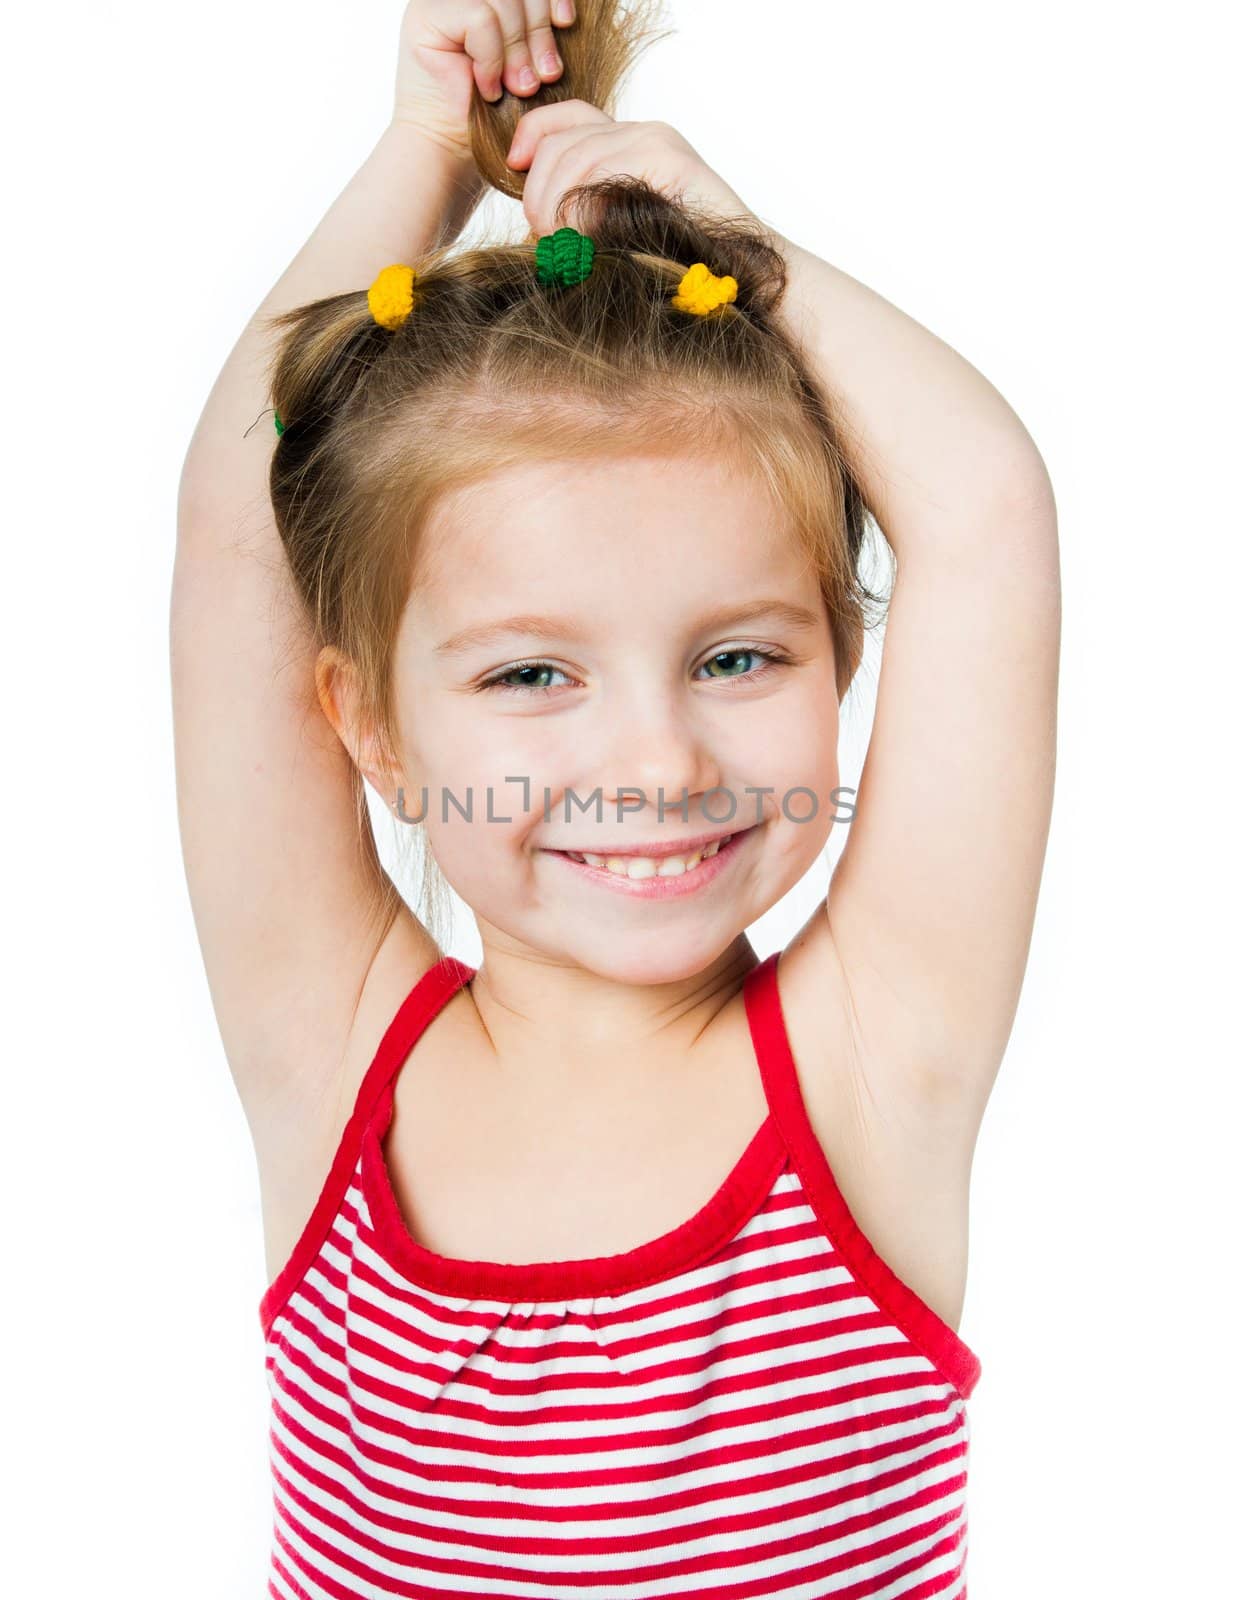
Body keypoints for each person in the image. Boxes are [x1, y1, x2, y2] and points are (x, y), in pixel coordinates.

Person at [171, 1, 1059, 1593]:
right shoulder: (331, 1054)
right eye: (531, 676)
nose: (658, 766)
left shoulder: (870, 1069)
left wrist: (734, 253)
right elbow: (243, 531)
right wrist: (420, 155)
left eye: (735, 657)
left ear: (843, 657)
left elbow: (984, 510)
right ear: (364, 724)